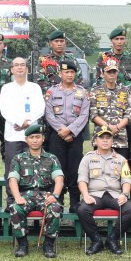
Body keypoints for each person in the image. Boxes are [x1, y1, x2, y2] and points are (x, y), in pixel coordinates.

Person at [5, 123, 63, 258]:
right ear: (26, 140)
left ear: (43, 139)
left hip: (46, 195)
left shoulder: (52, 158)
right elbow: (13, 180)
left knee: (55, 208)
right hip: (26, 195)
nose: (35, 140)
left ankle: (48, 244)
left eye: (38, 137)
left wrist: (55, 195)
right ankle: (22, 244)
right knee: (15, 208)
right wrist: (17, 197)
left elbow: (59, 179)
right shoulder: (18, 158)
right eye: (31, 137)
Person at [76, 125, 131, 255]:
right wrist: (85, 195)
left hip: (115, 195)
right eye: (101, 137)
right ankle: (96, 240)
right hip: (94, 195)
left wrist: (125, 194)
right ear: (95, 140)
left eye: (108, 138)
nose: (105, 140)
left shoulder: (121, 159)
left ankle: (112, 239)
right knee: (82, 209)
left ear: (112, 140)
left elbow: (127, 180)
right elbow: (82, 179)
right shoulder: (87, 158)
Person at [44, 58, 91, 208]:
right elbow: (49, 113)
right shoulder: (51, 92)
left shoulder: (82, 92)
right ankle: (57, 202)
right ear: (60, 73)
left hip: (75, 136)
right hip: (56, 136)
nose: (69, 75)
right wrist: (61, 130)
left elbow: (84, 115)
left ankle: (74, 203)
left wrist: (70, 130)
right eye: (66, 72)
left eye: (72, 72)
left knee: (75, 169)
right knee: (57, 168)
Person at [0, 57, 45, 168]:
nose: (19, 67)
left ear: (27, 69)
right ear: (12, 70)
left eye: (22, 65)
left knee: (32, 167)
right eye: (16, 65)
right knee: (12, 168)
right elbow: (4, 110)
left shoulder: (35, 87)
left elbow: (40, 108)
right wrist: (20, 122)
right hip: (13, 134)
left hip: (31, 133)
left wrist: (27, 123)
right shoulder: (6, 88)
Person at [89, 59, 131, 164]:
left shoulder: (125, 91)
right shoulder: (95, 91)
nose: (112, 74)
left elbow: (129, 114)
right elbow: (93, 114)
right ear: (103, 74)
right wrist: (109, 127)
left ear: (117, 73)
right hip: (101, 138)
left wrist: (117, 127)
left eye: (114, 72)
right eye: (109, 72)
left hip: (120, 139)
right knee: (100, 169)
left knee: (120, 168)